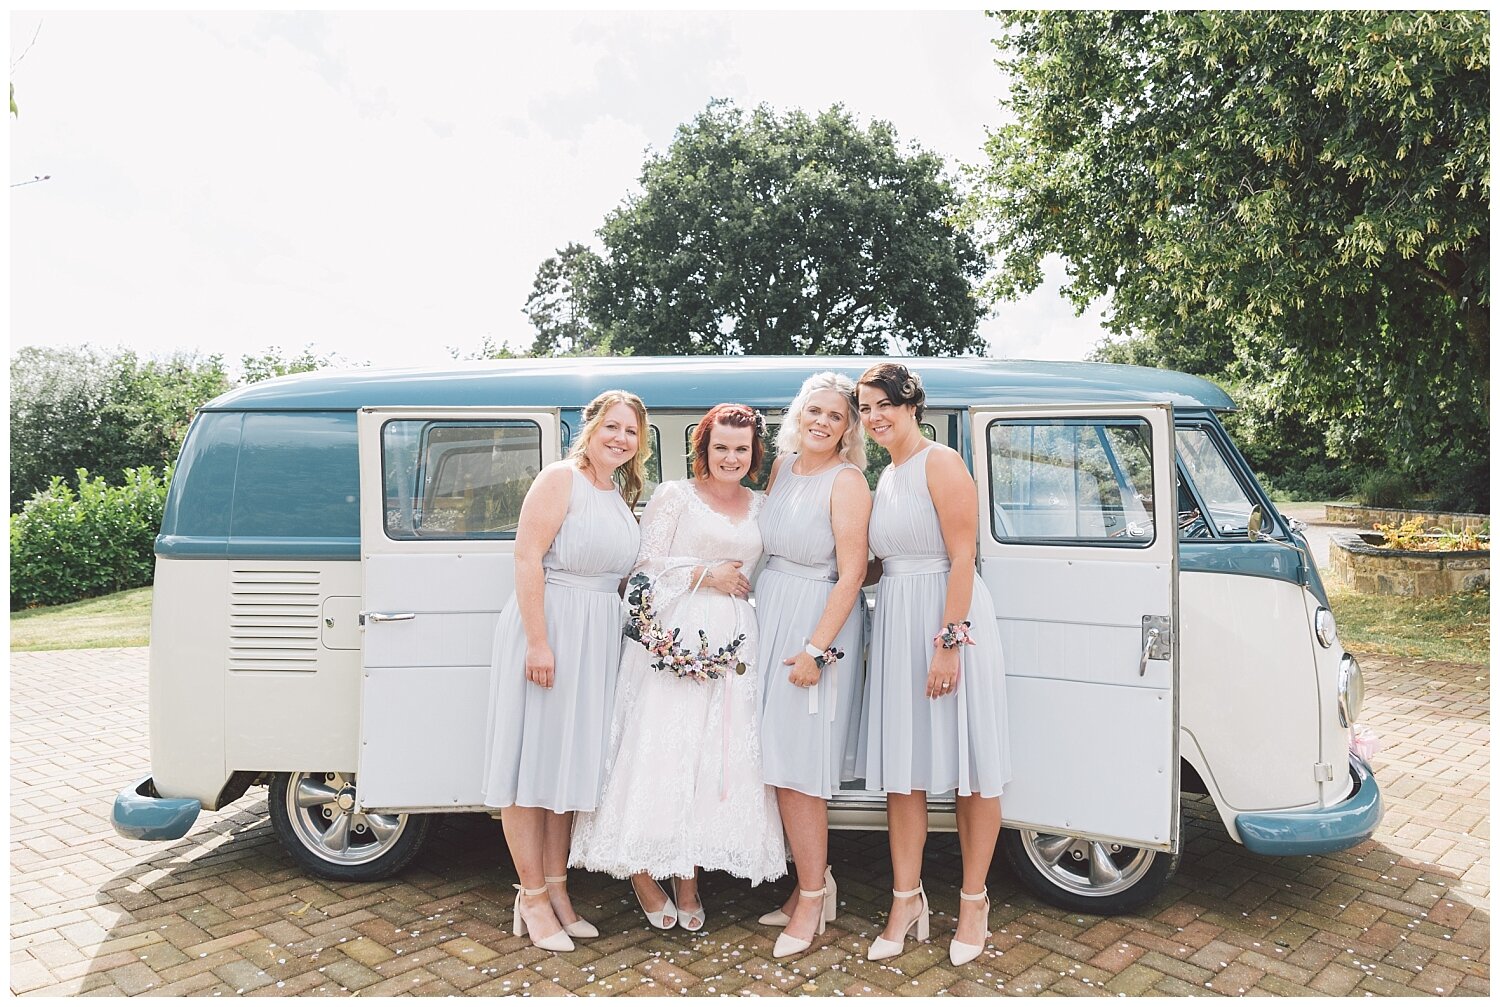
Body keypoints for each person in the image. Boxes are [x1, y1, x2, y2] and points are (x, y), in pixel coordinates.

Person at [571, 403, 786, 931]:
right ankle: (642, 873)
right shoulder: (674, 496)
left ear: (753, 453)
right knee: (659, 754)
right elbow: (640, 570)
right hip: (671, 637)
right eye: (720, 448)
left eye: (741, 448)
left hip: (735, 644)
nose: (730, 457)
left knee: (706, 758)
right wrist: (704, 573)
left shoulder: (762, 506)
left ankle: (687, 877)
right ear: (703, 449)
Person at [853, 363, 1012, 968]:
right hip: (897, 619)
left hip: (950, 618)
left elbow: (963, 554)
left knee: (974, 765)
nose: (874, 417)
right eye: (865, 409)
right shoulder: (885, 475)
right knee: (905, 771)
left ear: (911, 403)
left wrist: (949, 642)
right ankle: (905, 900)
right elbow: (876, 561)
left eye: (883, 404)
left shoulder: (940, 462)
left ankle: (974, 901)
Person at [480, 390, 650, 953]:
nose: (620, 438)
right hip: (551, 627)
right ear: (591, 425)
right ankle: (529, 896)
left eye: (631, 431)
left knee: (566, 769)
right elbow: (527, 556)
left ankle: (557, 891)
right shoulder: (560, 479)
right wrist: (538, 642)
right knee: (530, 767)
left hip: (596, 636)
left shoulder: (618, 491)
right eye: (613, 426)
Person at [753, 372, 872, 958]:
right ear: (797, 415)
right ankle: (809, 887)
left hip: (815, 621)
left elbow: (852, 571)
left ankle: (812, 899)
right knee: (776, 762)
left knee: (801, 770)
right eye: (815, 411)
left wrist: (817, 649)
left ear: (849, 429)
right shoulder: (782, 469)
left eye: (836, 416)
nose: (823, 422)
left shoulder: (847, 481)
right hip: (769, 608)